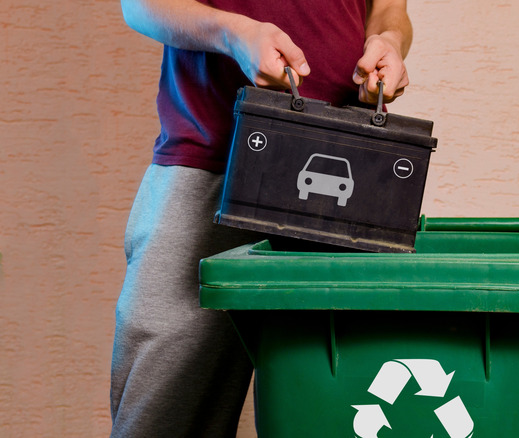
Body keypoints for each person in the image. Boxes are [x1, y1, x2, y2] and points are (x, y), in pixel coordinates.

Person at [109, 0, 413, 436]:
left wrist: (388, 40)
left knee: (350, 412)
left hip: (347, 169)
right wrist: (233, 33)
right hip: (210, 165)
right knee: (163, 418)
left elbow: (388, 8)